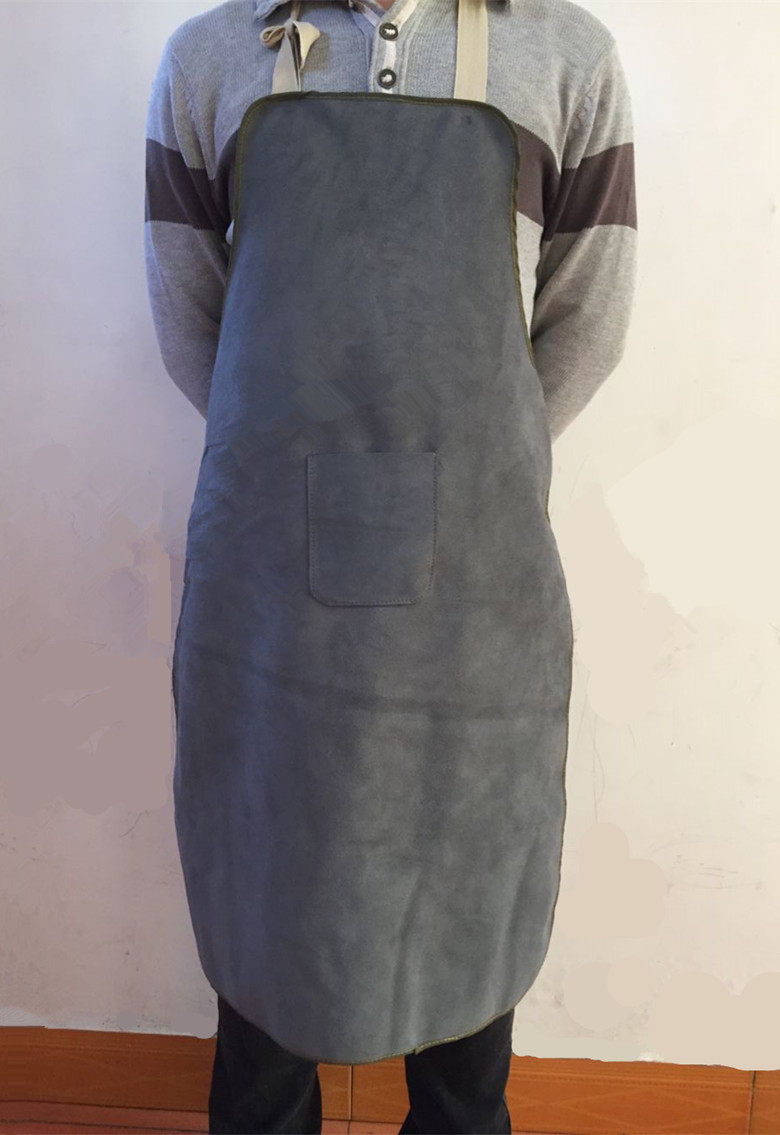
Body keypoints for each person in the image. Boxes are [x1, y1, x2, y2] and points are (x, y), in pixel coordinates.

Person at [144, 1, 637, 1132]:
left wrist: (473, 469)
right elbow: (189, 320)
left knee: (468, 871)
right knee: (271, 869)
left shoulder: (570, 58)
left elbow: (589, 320)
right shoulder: (210, 58)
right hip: (271, 583)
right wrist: (289, 457)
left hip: (476, 583)